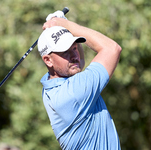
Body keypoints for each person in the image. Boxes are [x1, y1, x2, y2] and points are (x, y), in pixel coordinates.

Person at [37, 10, 122, 150]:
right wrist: (68, 25)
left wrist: (63, 27)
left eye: (74, 48)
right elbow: (112, 49)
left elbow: (79, 61)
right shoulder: (72, 93)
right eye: (65, 51)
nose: (74, 56)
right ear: (48, 60)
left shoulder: (51, 86)